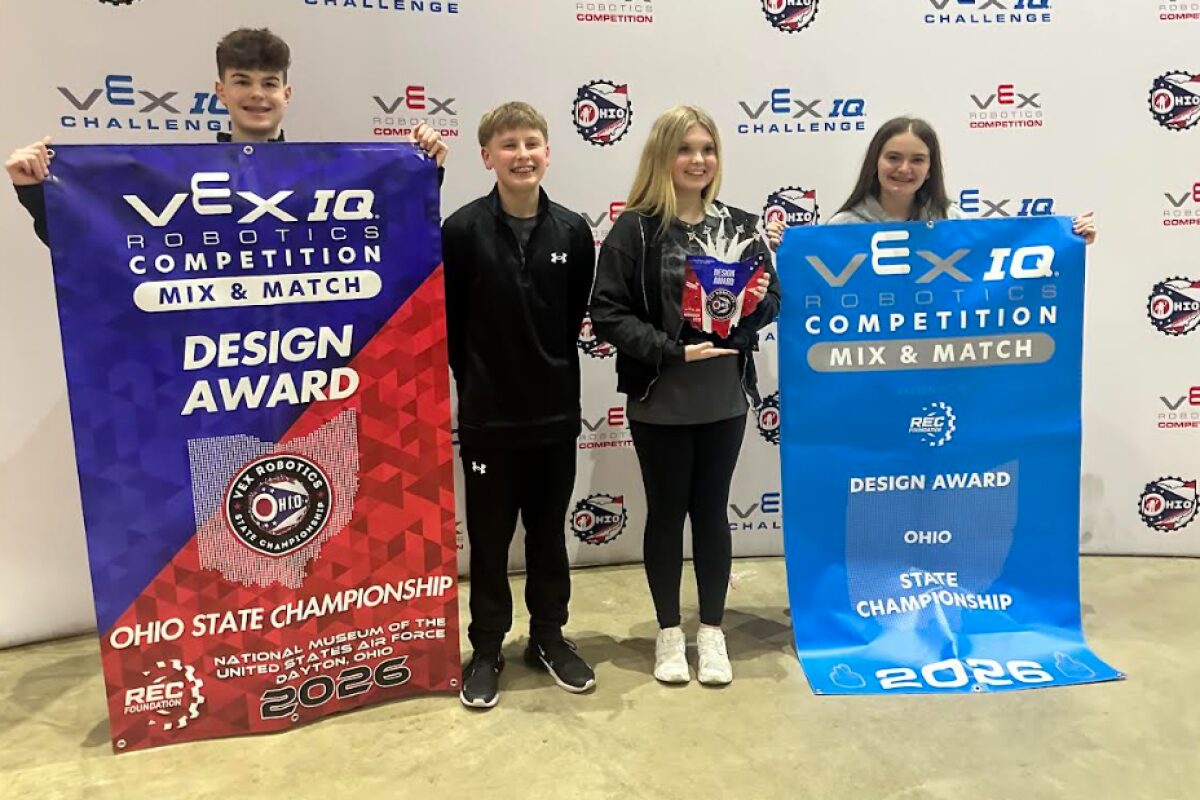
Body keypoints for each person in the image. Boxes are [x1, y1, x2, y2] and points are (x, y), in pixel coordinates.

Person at [590, 105, 781, 686]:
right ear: (662, 157)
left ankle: (712, 633)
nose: (698, 160)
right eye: (685, 149)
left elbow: (772, 300)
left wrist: (738, 329)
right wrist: (672, 351)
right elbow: (607, 313)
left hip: (723, 397)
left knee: (713, 514)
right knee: (667, 516)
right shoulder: (636, 228)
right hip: (661, 398)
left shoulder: (743, 226)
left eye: (708, 148)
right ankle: (670, 634)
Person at [6, 27, 448, 247]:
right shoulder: (176, 179)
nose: (257, 94)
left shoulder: (322, 175)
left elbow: (390, 239)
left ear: (286, 94)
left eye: (270, 83)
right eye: (242, 80)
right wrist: (34, 193)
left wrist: (424, 170)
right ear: (221, 91)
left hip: (305, 364)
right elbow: (99, 247)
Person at [442, 102, 597, 709]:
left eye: (532, 142)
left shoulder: (572, 231)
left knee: (547, 535)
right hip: (488, 420)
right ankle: (486, 649)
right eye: (508, 145)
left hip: (554, 416)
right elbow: (451, 324)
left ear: (548, 151)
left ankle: (549, 638)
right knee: (487, 539)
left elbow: (570, 318)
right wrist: (478, 383)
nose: (522, 154)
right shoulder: (460, 231)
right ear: (487, 157)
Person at [820, 116, 1095, 241]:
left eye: (917, 160)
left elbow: (998, 256)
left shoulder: (952, 219)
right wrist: (785, 247)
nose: (904, 169)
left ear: (930, 169)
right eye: (893, 157)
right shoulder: (842, 227)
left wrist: (1068, 238)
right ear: (875, 162)